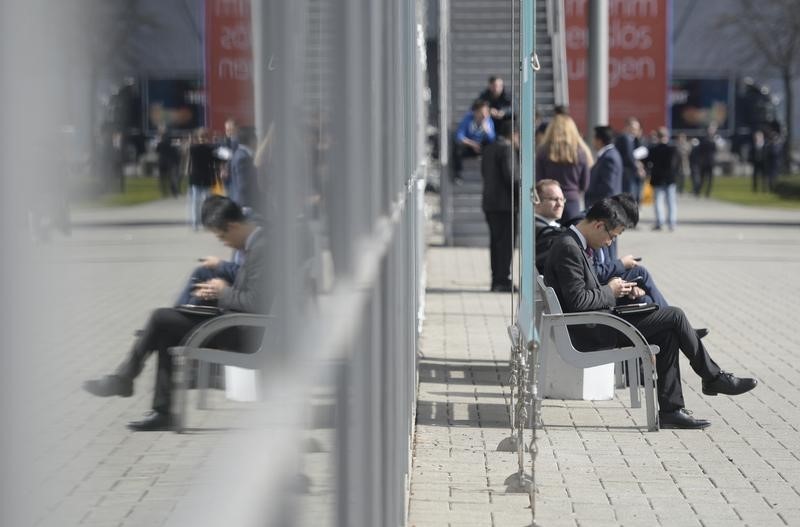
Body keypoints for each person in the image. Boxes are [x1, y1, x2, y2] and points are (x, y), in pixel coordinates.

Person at [542, 198, 757, 429]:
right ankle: (713, 378)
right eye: (612, 236)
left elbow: (584, 293)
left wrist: (622, 291)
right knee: (674, 316)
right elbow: (578, 301)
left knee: (668, 333)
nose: (608, 243)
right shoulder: (569, 247)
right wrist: (611, 291)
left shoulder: (575, 243)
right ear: (598, 225)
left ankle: (672, 411)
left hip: (599, 322)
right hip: (588, 331)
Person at [83, 196, 271, 431]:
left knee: (160, 318)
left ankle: (125, 379)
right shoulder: (258, 243)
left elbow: (256, 302)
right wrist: (216, 290)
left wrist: (222, 292)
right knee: (165, 329)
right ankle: (161, 411)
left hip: (245, 332)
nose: (225, 243)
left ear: (233, 226)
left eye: (223, 237)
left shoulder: (263, 248)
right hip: (236, 323)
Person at [535, 113, 593, 224]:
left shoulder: (543, 151)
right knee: (570, 238)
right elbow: (585, 184)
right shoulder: (580, 152)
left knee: (549, 236)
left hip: (549, 201)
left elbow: (539, 180)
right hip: (572, 201)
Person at [480, 121, 517, 292]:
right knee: (506, 244)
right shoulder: (507, 148)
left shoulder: (488, 148)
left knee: (495, 243)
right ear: (513, 134)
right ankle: (502, 279)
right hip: (505, 205)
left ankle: (496, 278)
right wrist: (522, 192)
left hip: (490, 203)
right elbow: (510, 175)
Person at [452, 99, 496, 183]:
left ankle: (490, 176)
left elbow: (492, 140)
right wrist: (472, 144)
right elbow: (459, 136)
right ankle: (457, 175)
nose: (484, 115)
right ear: (475, 112)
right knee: (457, 148)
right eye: (481, 112)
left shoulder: (489, 121)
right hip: (470, 146)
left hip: (482, 147)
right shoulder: (468, 119)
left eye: (486, 112)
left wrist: (487, 131)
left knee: (491, 150)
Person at [645, 127, 678, 231]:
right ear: (667, 136)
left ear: (657, 137)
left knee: (658, 201)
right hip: (670, 178)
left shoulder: (653, 149)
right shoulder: (672, 149)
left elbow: (647, 162)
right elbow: (676, 164)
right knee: (671, 202)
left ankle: (660, 222)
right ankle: (672, 223)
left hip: (657, 179)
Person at [585, 125, 622, 210]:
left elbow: (608, 187)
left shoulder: (609, 157)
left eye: (594, 138)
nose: (593, 141)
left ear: (599, 140)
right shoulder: (610, 154)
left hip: (603, 208)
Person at [186, 128, 216, 230]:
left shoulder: (203, 148)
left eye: (204, 136)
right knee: (196, 201)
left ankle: (203, 221)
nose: (202, 138)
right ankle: (196, 221)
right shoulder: (197, 148)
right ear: (198, 138)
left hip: (205, 177)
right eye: (201, 136)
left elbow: (213, 162)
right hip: (197, 177)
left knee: (204, 201)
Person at [228, 127, 259, 211]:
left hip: (244, 203)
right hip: (246, 205)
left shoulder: (240, 154)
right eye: (256, 138)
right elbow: (244, 185)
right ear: (251, 140)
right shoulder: (243, 158)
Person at [615, 117, 645, 203]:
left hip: (628, 173)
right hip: (627, 173)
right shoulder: (626, 138)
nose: (635, 131)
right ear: (627, 127)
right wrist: (638, 168)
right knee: (629, 199)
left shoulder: (630, 138)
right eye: (633, 128)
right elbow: (629, 156)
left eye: (637, 129)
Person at [691, 123, 718, 198]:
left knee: (711, 178)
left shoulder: (715, 139)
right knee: (702, 178)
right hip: (703, 161)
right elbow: (700, 150)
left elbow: (715, 150)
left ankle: (708, 193)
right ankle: (698, 191)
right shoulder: (703, 138)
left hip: (711, 161)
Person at [156, 127, 180, 198]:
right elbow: (175, 152)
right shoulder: (171, 142)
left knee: (162, 178)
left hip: (162, 161)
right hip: (171, 161)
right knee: (172, 178)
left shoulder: (161, 142)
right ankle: (174, 192)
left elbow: (157, 150)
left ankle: (164, 192)